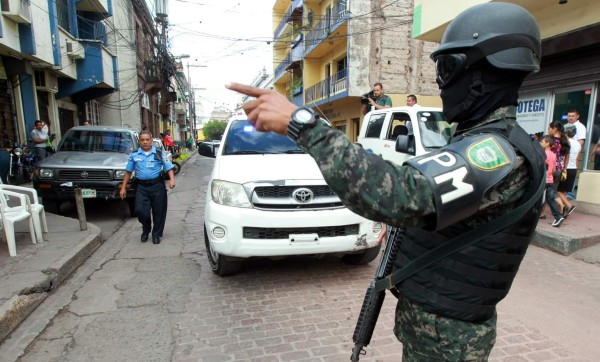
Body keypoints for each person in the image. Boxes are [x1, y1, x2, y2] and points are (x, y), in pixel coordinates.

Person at [226, 3, 545, 359]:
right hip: (438, 335)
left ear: (481, 72)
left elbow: (399, 196)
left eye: (446, 69)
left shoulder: (497, 151)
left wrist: (303, 124)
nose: (441, 84)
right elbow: (433, 206)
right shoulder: (477, 139)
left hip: (450, 343)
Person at [119, 131, 175, 244]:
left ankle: (156, 234)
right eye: (142, 140)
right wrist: (123, 187)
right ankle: (146, 229)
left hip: (157, 186)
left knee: (159, 212)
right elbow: (128, 172)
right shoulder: (135, 155)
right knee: (140, 210)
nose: (145, 142)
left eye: (147, 140)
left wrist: (172, 180)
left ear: (151, 141)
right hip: (141, 187)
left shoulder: (159, 153)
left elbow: (168, 167)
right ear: (139, 141)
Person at [540, 136, 565, 227]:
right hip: (550, 180)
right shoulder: (553, 154)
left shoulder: (543, 154)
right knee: (550, 200)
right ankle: (558, 217)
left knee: (538, 199)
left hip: (543, 180)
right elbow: (554, 169)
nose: (540, 143)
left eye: (542, 142)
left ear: (547, 144)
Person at [557, 124, 580, 218]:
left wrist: (563, 168)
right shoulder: (578, 143)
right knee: (563, 192)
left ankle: (569, 206)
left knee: (556, 190)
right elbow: (577, 158)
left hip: (565, 168)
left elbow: (566, 156)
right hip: (573, 169)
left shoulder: (565, 142)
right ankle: (562, 212)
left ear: (565, 132)